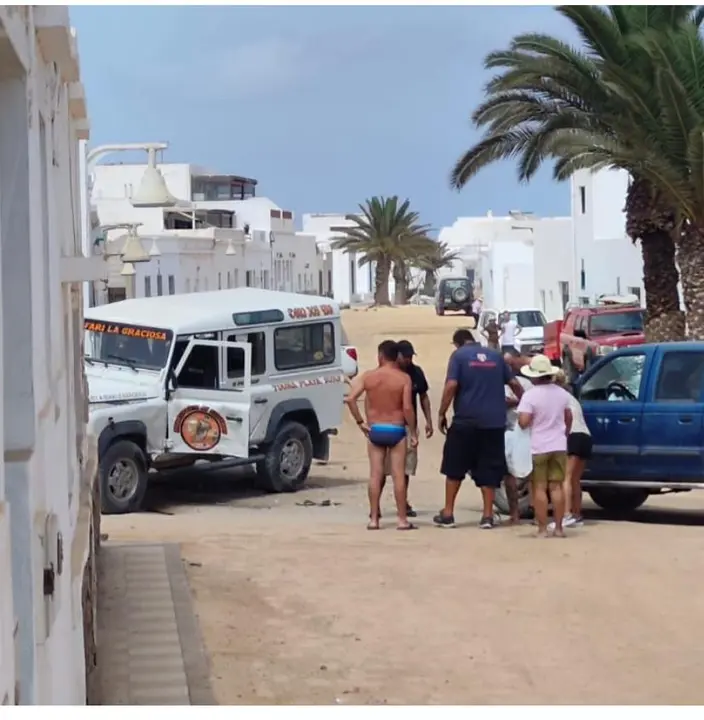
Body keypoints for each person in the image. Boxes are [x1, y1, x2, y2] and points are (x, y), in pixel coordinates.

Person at [434, 329, 526, 529]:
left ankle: (448, 513)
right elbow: (514, 383)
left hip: (465, 421)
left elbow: (451, 385)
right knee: (490, 468)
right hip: (493, 423)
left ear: (457, 343)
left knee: (454, 467)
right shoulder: (496, 356)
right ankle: (487, 516)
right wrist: (525, 403)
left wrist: (442, 412)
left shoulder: (458, 356)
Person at [345, 340, 418, 531]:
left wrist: (360, 422)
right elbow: (407, 407)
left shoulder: (369, 377)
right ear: (397, 357)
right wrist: (413, 431)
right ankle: (402, 520)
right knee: (398, 476)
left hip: (376, 429)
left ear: (380, 356)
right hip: (396, 429)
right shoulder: (404, 379)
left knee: (375, 475)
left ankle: (374, 519)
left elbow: (351, 398)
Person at [516, 355, 573, 537]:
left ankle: (542, 528)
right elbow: (568, 417)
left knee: (539, 487)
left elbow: (524, 422)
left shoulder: (530, 395)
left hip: (539, 446)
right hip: (559, 445)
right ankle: (558, 528)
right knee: (556, 486)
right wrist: (564, 433)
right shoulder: (562, 393)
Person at [381, 340, 432, 517]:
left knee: (406, 469)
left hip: (409, 427)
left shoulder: (416, 372)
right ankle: (376, 506)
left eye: (411, 356)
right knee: (381, 469)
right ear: (398, 356)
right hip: (389, 425)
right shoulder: (390, 374)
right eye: (406, 356)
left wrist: (428, 421)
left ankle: (403, 503)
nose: (409, 360)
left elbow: (423, 397)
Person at [552, 370, 591, 529]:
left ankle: (566, 514)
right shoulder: (571, 398)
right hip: (585, 436)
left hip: (573, 435)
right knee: (575, 479)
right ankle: (576, 514)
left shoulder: (557, 397)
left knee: (565, 478)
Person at [503, 353, 533, 524]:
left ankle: (536, 511)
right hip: (506, 431)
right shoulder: (496, 383)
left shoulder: (526, 383)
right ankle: (514, 513)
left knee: (530, 473)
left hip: (525, 431)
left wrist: (513, 402)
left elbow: (530, 404)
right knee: (508, 475)